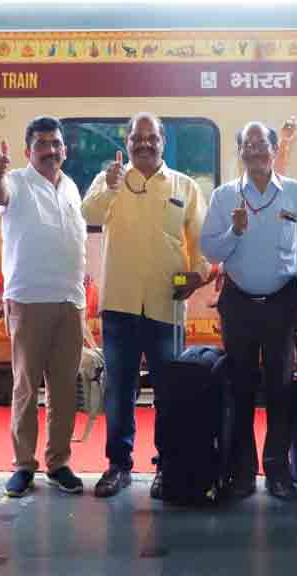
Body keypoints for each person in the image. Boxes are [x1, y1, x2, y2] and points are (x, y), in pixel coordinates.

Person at [81, 113, 208, 499]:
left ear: (163, 142)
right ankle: (118, 466)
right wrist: (111, 189)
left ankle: (167, 465)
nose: (144, 144)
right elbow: (88, 215)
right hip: (119, 305)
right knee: (120, 390)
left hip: (165, 308)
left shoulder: (185, 187)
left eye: (151, 138)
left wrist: (196, 277)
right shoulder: (109, 180)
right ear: (128, 141)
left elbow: (199, 247)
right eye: (137, 138)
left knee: (170, 391)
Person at [200, 122, 297, 500]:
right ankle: (243, 473)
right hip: (239, 304)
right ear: (240, 153)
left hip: (282, 304)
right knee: (241, 388)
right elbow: (211, 252)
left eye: (260, 144)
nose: (254, 151)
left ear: (273, 147)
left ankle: (278, 471)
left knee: (281, 389)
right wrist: (234, 231)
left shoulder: (296, 194)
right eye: (246, 145)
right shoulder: (223, 197)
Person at [0, 116, 87, 498]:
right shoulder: (15, 181)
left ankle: (58, 462)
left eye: (56, 143)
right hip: (28, 300)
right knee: (27, 387)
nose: (51, 150)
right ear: (29, 151)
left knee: (64, 388)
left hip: (69, 300)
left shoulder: (72, 187)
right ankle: (24, 465)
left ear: (64, 149)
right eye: (43, 144)